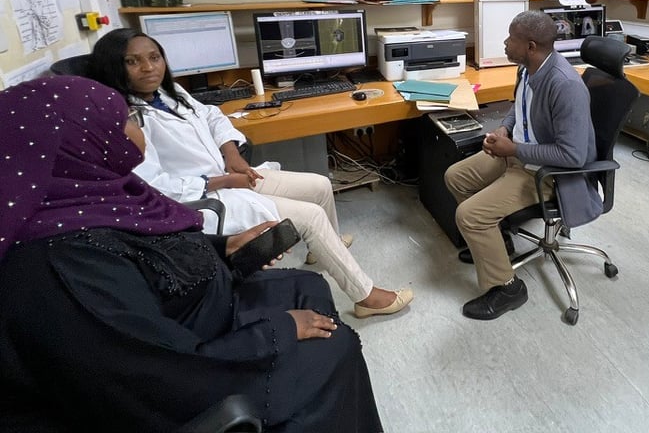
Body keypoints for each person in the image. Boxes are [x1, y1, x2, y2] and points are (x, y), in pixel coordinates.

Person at [0, 76, 383, 432]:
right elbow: (157, 374)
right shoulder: (63, 266)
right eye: (124, 121)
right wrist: (279, 330)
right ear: (76, 142)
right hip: (189, 373)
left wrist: (224, 248)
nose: (135, 128)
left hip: (195, 314)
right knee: (336, 348)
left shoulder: (94, 198)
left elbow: (147, 254)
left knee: (309, 284)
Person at [90, 28, 412, 319]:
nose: (149, 67)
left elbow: (213, 115)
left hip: (228, 175)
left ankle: (323, 249)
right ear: (114, 68)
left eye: (154, 57)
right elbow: (158, 188)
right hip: (205, 198)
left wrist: (231, 154)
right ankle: (366, 297)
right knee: (311, 216)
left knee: (320, 185)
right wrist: (226, 180)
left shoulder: (169, 92)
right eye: (133, 61)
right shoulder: (126, 121)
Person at [445, 11, 597, 320]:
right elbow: (519, 106)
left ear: (530, 46)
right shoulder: (527, 68)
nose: (505, 42)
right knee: (456, 176)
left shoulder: (565, 85)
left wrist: (514, 149)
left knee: (469, 215)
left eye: (511, 38)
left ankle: (508, 288)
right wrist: (504, 129)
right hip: (521, 154)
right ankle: (498, 245)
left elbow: (573, 156)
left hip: (549, 173)